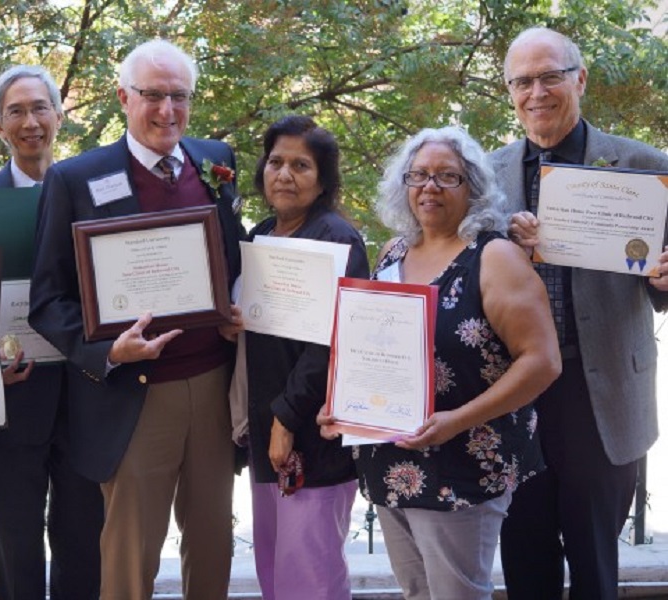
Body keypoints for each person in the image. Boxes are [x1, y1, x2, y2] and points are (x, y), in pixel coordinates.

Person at [28, 39, 245, 600]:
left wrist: (241, 306)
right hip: (134, 393)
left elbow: (234, 257)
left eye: (179, 97)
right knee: (130, 557)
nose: (167, 111)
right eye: (152, 96)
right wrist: (107, 352)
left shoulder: (215, 158)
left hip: (215, 385)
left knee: (214, 543)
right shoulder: (76, 178)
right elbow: (47, 299)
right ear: (124, 96)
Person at [322, 126, 561, 599]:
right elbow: (373, 348)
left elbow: (543, 361)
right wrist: (342, 407)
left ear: (472, 186)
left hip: (462, 465)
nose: (430, 187)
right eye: (419, 175)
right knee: (417, 593)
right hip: (392, 459)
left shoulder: (495, 257)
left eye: (447, 177)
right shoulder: (394, 251)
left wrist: (456, 421)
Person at [493, 27, 668, 600]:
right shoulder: (484, 177)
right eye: (522, 81)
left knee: (596, 565)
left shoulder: (646, 166)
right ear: (510, 91)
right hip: (514, 392)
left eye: (550, 76)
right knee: (524, 554)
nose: (536, 92)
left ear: (580, 79)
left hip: (604, 391)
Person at [0, 65, 103, 600]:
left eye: (40, 108)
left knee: (84, 535)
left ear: (59, 116)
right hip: (15, 392)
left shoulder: (94, 191)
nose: (30, 121)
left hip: (89, 390)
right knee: (15, 536)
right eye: (15, 111)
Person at [240, 115, 370, 599]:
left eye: (301, 165)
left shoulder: (337, 239)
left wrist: (285, 418)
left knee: (309, 573)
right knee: (273, 567)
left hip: (311, 434)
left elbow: (332, 341)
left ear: (323, 181)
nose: (285, 175)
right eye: (275, 162)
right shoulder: (260, 234)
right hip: (264, 433)